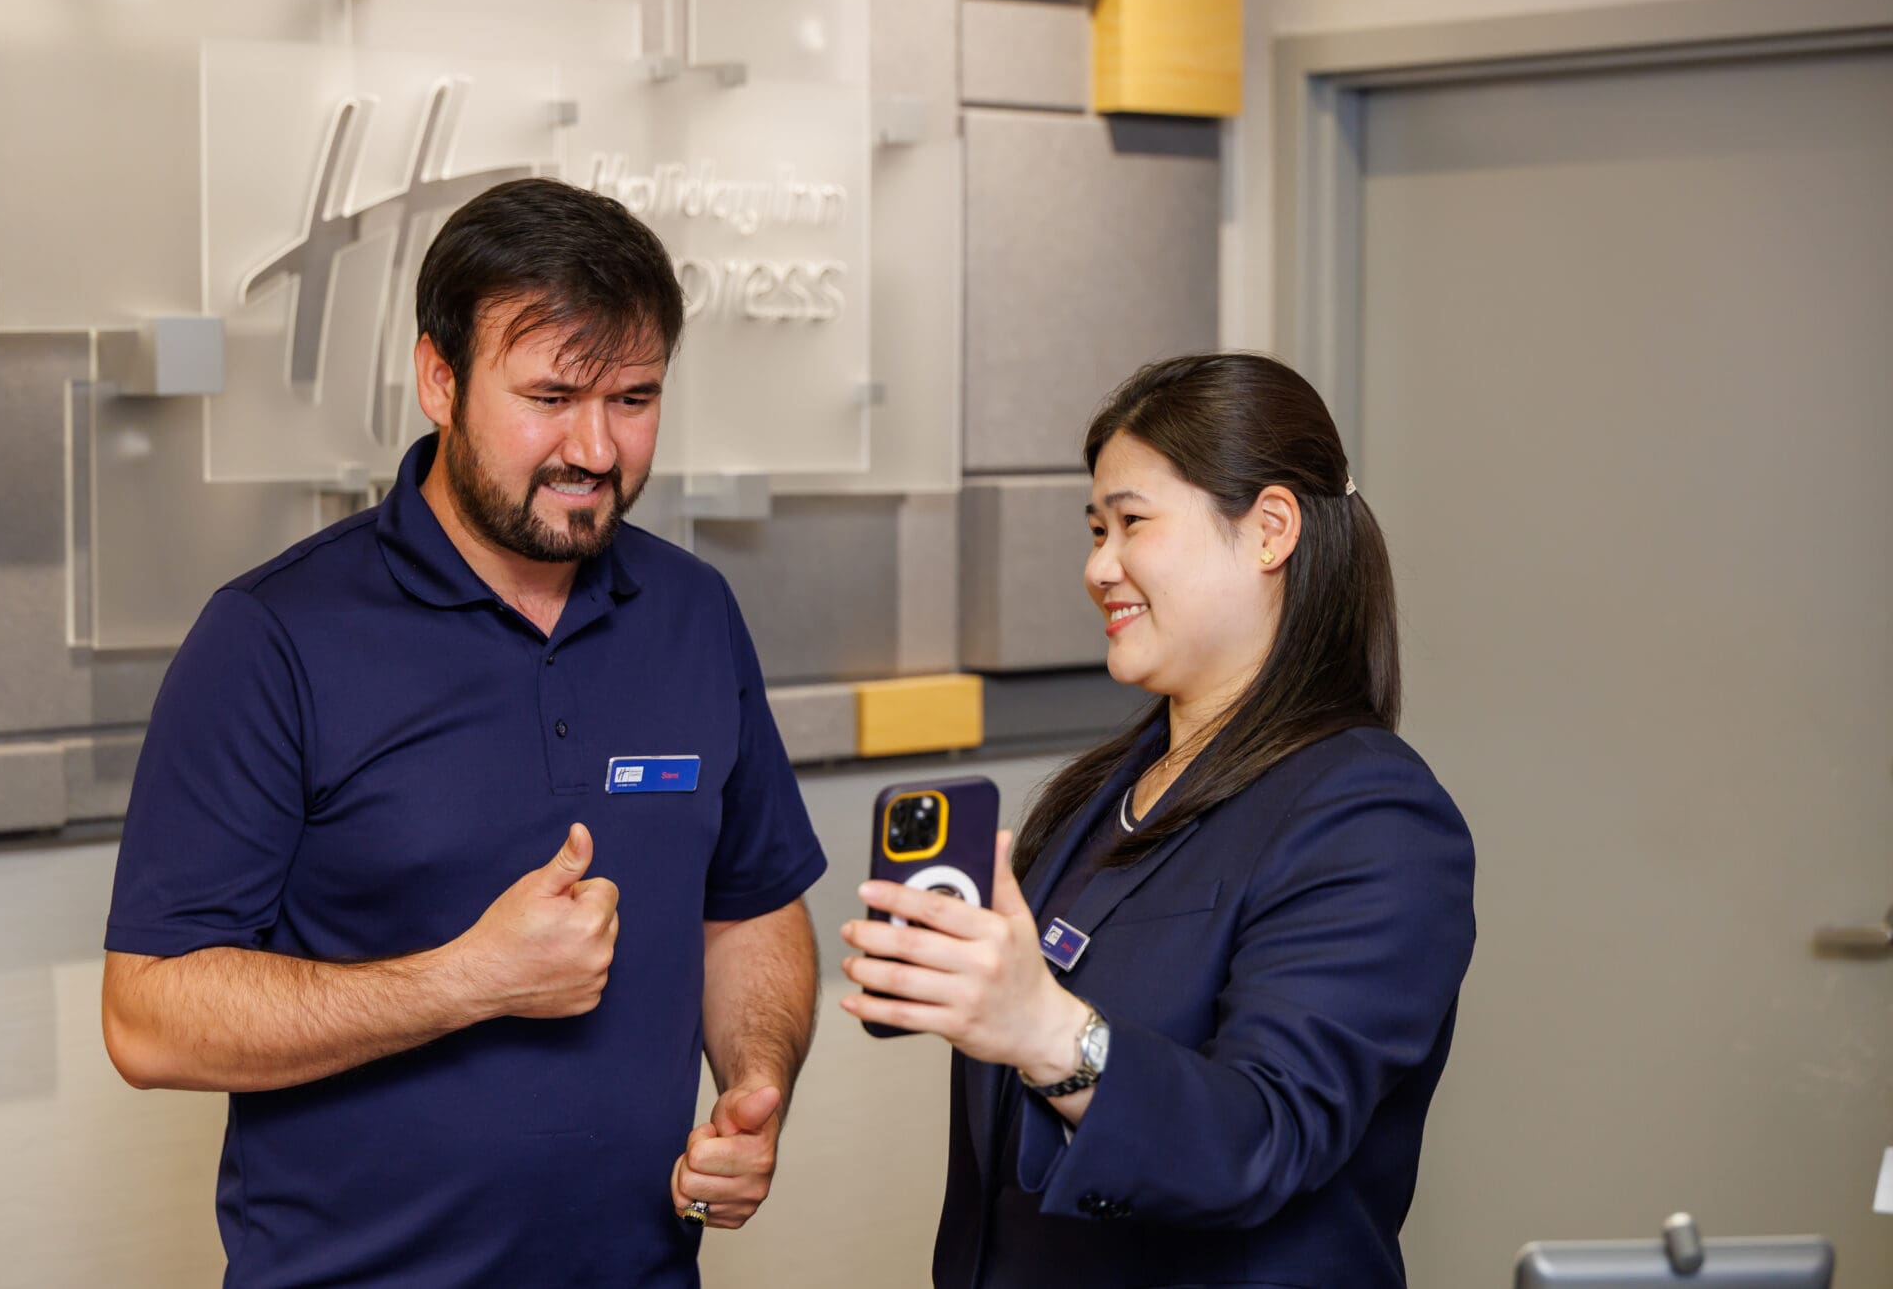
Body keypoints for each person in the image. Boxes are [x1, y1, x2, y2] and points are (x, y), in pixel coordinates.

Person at [101, 177, 827, 1288]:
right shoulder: (273, 636)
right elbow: (149, 1019)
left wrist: (754, 1083)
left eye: (633, 399)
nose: (595, 448)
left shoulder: (693, 614)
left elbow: (750, 907)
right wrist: (467, 980)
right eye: (550, 396)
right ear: (438, 378)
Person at [839, 353, 1476, 1288]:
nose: (1099, 566)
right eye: (1095, 528)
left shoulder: (1371, 813)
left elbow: (1265, 1135)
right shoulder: (1102, 792)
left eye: (1132, 522)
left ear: (1268, 529)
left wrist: (1046, 1028)